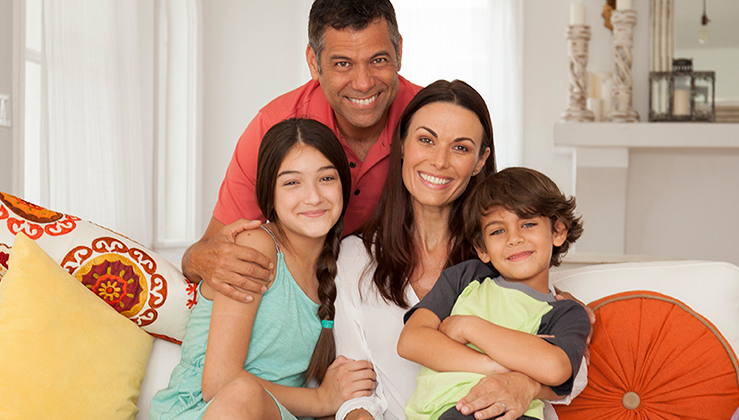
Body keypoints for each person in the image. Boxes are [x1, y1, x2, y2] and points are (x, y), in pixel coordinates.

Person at [332, 80, 588, 420]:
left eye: (461, 148)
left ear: (481, 160)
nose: (439, 161)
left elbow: (574, 372)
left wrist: (525, 386)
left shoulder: (502, 251)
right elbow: (355, 392)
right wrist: (500, 369)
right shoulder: (355, 257)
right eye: (426, 140)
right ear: (403, 145)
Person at [181, 0, 421, 302]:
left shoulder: (431, 121)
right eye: (343, 63)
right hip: (304, 303)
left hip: (398, 299)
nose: (363, 83)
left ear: (398, 52)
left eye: (378, 60)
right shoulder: (273, 127)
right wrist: (201, 260)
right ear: (313, 62)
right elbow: (205, 253)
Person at [150, 119, 376, 419]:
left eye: (326, 179)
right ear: (269, 194)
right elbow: (219, 383)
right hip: (205, 411)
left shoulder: (340, 266)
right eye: (292, 182)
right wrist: (320, 400)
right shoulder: (256, 248)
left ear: (343, 187)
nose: (313, 197)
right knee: (243, 394)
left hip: (276, 413)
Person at [398, 167, 590, 420]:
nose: (514, 238)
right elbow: (411, 342)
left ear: (557, 232)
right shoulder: (466, 278)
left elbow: (555, 368)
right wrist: (497, 366)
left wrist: (469, 327)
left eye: (528, 224)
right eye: (498, 231)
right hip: (448, 410)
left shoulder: (566, 312)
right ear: (482, 248)